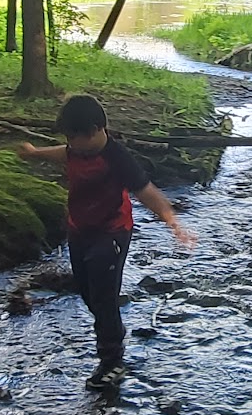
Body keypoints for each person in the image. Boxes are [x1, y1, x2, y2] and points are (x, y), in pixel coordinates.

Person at [20, 95, 196, 384]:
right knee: (88, 293)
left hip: (112, 232)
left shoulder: (117, 158)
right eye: (68, 138)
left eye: (74, 137)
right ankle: (111, 331)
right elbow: (63, 153)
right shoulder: (76, 149)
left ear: (95, 131)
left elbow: (146, 191)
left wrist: (172, 220)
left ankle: (112, 360)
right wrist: (35, 152)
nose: (71, 143)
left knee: (103, 297)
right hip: (79, 230)